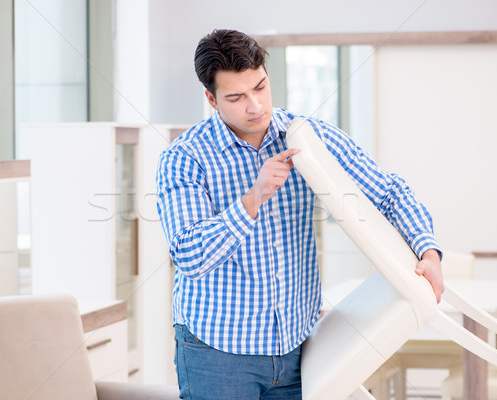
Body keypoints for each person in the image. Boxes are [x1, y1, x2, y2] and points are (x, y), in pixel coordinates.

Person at [156, 28, 444, 400]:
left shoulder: (306, 137)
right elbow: (188, 254)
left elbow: (388, 191)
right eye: (237, 97)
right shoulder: (184, 158)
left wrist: (428, 251)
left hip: (297, 347)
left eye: (260, 87)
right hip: (217, 351)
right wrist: (253, 199)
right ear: (211, 99)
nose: (255, 106)